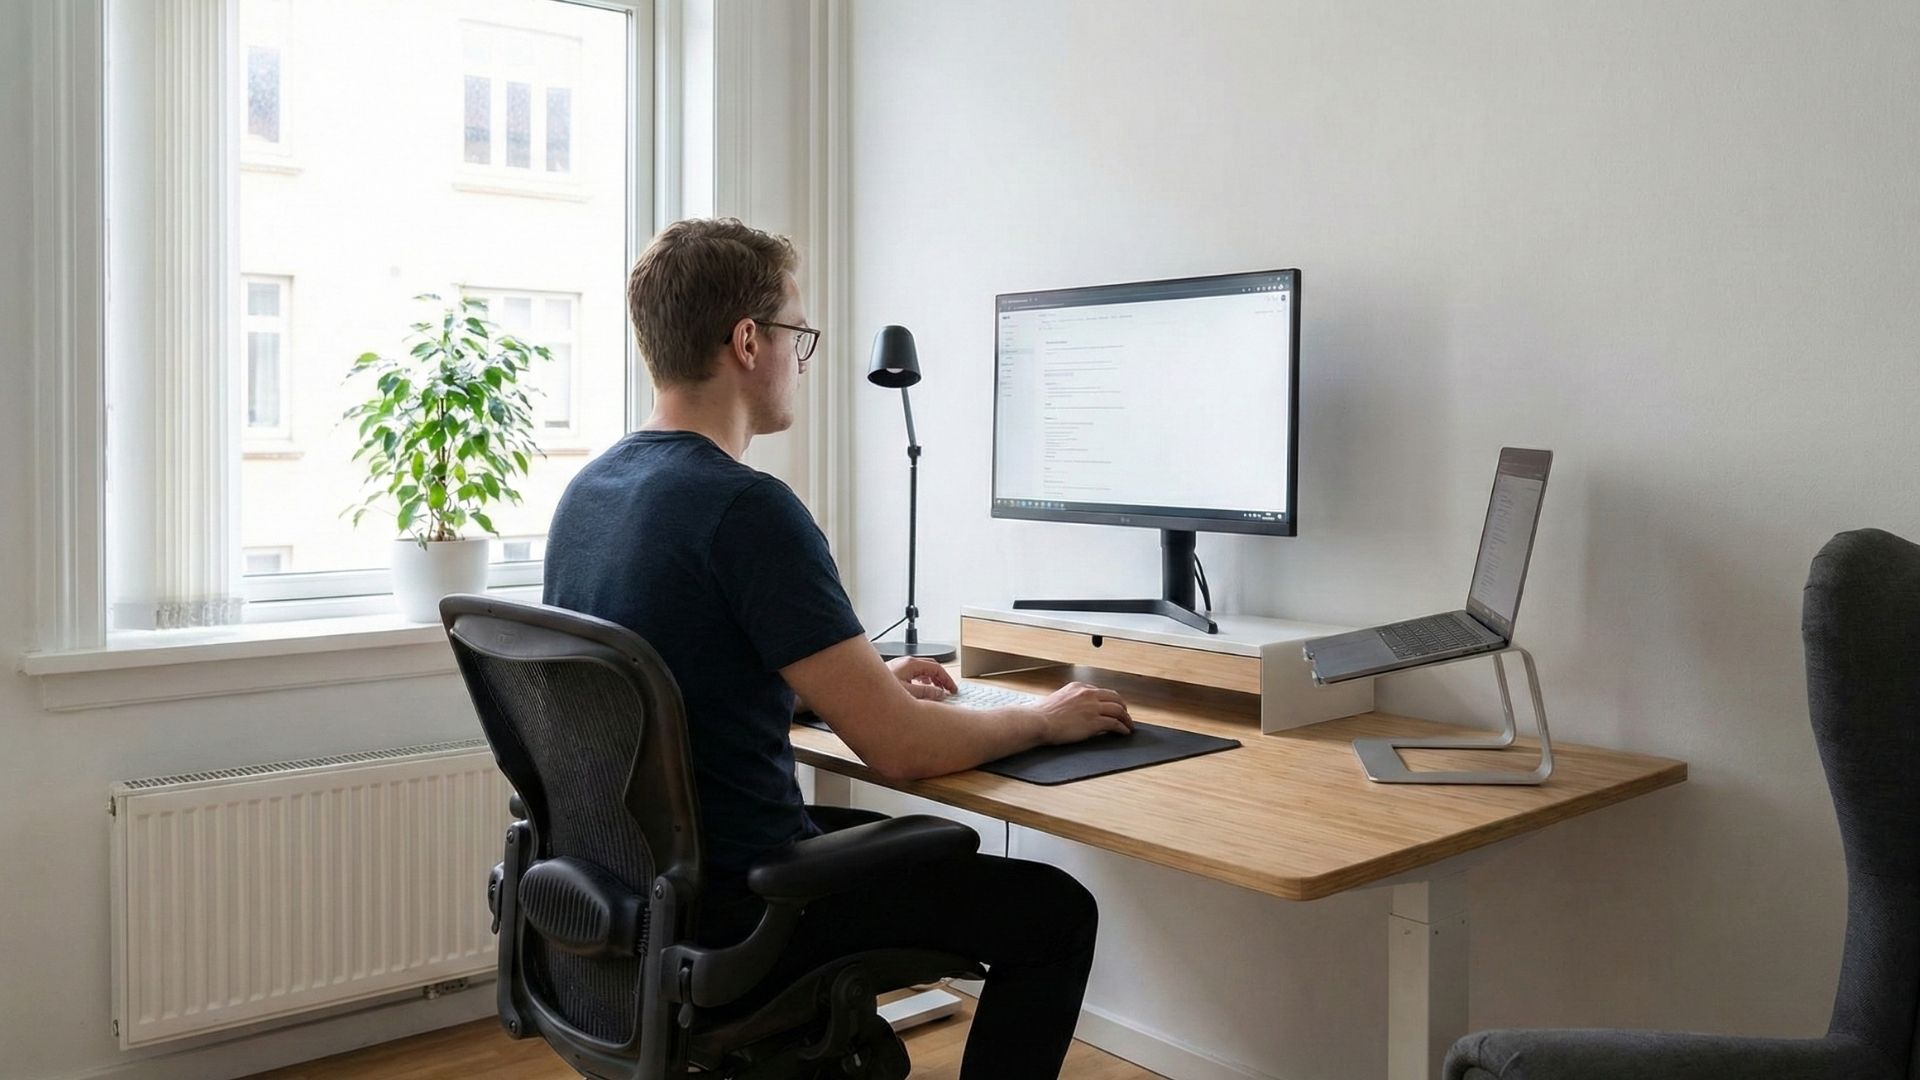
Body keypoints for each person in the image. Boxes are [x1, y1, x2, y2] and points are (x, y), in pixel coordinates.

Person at [542, 217, 1132, 1078]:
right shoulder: (747, 509)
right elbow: (903, 748)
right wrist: (1043, 717)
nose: (802, 359)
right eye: (798, 334)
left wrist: (852, 684)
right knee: (1052, 910)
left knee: (941, 860)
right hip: (747, 903)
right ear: (748, 341)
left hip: (646, 891)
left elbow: (681, 677)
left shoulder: (590, 493)